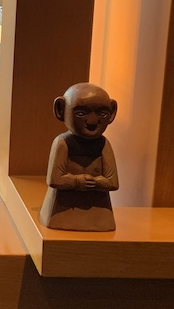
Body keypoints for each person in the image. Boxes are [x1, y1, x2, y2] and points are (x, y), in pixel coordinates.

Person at [39, 82, 119, 231]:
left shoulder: (103, 144)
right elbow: (54, 179)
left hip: (99, 213)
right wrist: (78, 181)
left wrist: (96, 183)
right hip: (62, 211)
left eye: (102, 114)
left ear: (112, 113)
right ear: (61, 110)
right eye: (81, 113)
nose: (92, 122)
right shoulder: (62, 143)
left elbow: (113, 182)